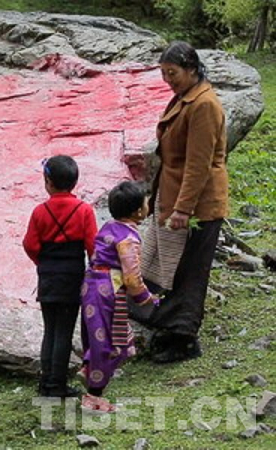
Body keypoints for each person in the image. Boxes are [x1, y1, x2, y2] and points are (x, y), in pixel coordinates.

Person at [132, 41, 228, 364]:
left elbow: (199, 165)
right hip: (175, 197)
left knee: (189, 272)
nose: (167, 80)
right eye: (163, 73)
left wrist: (184, 209)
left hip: (200, 205)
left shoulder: (204, 105)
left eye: (172, 73)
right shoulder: (185, 97)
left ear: (191, 69)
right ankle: (167, 328)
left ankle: (184, 338)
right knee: (167, 266)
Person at [80, 181, 159, 414]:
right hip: (108, 290)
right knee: (110, 343)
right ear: (138, 211)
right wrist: (146, 297)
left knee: (96, 336)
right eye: (146, 202)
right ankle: (93, 397)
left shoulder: (108, 227)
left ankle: (88, 369)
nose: (148, 205)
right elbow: (132, 278)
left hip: (91, 285)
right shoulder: (129, 239)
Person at [24, 155, 98, 397]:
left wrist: (43, 262)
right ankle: (57, 384)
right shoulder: (84, 210)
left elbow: (30, 244)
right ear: (75, 182)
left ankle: (46, 381)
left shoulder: (39, 211)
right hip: (72, 275)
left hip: (47, 275)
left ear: (48, 182)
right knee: (64, 330)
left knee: (50, 329)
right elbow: (92, 247)